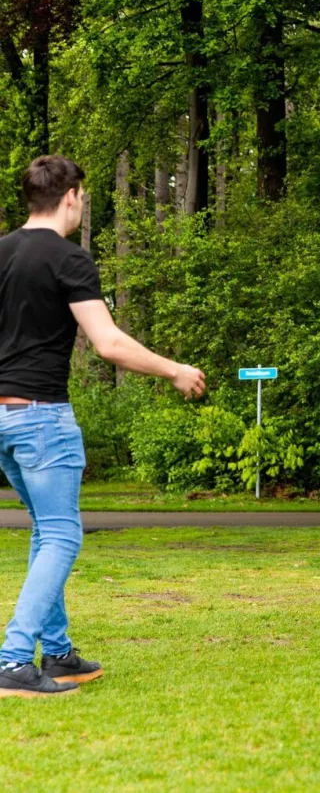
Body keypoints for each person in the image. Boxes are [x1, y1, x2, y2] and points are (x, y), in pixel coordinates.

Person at [0, 156, 205, 698]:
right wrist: (175, 370)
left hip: (2, 416)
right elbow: (108, 343)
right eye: (83, 196)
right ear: (70, 197)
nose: (82, 204)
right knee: (64, 535)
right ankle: (15, 660)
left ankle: (60, 655)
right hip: (42, 417)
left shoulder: (0, 252)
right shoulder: (69, 259)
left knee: (47, 530)